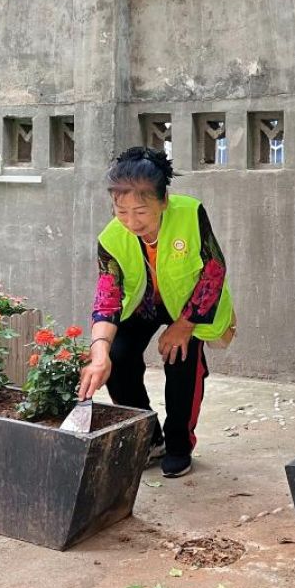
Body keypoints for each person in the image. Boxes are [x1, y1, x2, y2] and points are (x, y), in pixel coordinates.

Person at [78, 147, 234, 479]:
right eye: (121, 211)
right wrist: (99, 353)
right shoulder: (110, 238)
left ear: (163, 202)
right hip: (142, 304)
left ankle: (179, 445)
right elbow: (107, 297)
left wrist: (185, 324)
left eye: (141, 211)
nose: (131, 221)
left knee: (181, 359)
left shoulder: (190, 214)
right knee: (117, 357)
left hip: (188, 305)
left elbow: (214, 270)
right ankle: (149, 437)